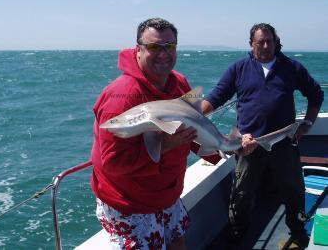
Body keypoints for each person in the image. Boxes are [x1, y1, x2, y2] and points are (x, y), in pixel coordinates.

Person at [91, 18, 220, 249]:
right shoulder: (121, 96)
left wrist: (221, 151)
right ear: (138, 49)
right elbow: (111, 163)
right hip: (131, 203)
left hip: (168, 195)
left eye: (169, 46)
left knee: (178, 241)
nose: (163, 53)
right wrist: (165, 145)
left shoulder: (179, 83)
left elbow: (192, 132)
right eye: (154, 47)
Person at [202, 23, 324, 249]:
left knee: (294, 191)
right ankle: (239, 233)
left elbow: (316, 94)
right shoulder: (239, 69)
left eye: (271, 41)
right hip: (249, 145)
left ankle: (297, 231)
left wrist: (307, 123)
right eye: (261, 42)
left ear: (276, 42)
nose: (267, 46)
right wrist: (193, 113)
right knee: (241, 193)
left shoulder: (291, 67)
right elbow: (216, 96)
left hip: (284, 143)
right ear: (251, 44)